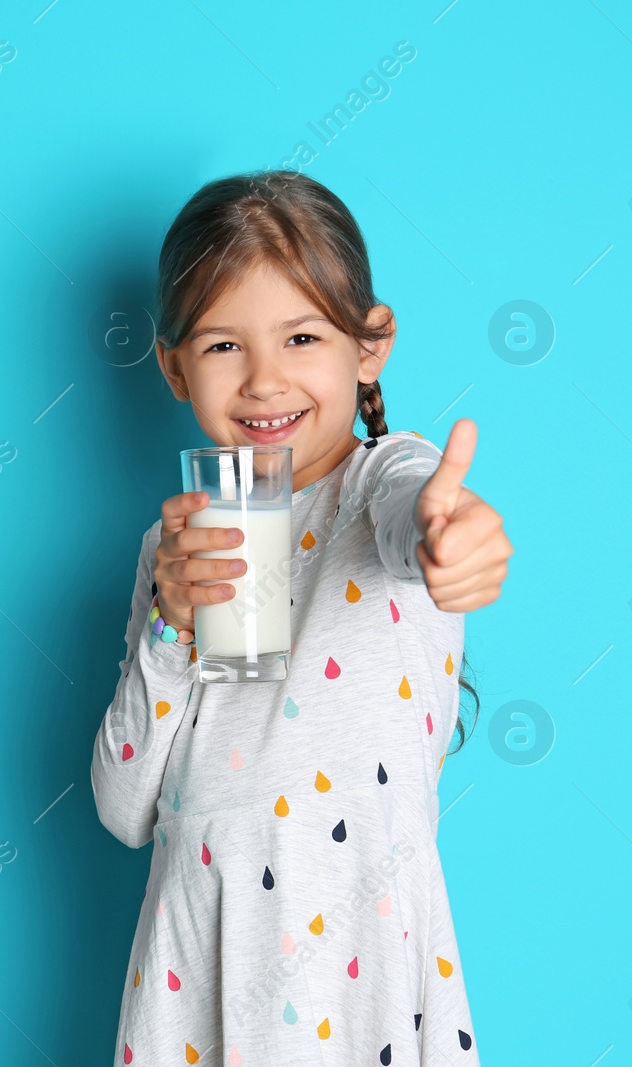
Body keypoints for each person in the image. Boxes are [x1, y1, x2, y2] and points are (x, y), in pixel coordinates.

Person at [91, 170, 513, 1065]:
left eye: (302, 335)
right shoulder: (175, 546)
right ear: (172, 367)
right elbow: (125, 809)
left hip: (357, 947)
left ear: (370, 345)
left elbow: (418, 512)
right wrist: (170, 623)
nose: (264, 379)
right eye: (221, 347)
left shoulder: (385, 483)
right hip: (199, 951)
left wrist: (450, 536)